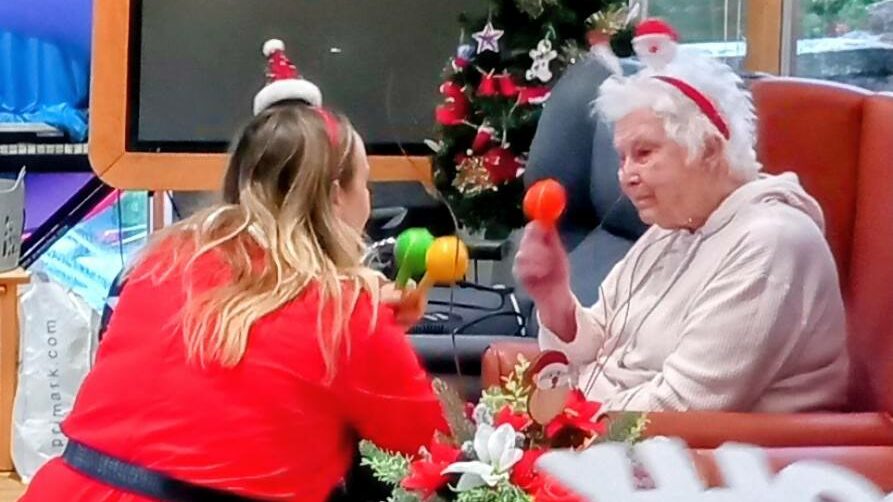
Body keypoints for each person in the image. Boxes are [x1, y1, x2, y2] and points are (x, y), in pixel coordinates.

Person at [21, 40, 444, 501]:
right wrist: (376, 332)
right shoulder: (344, 315)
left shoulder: (163, 260)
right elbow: (431, 453)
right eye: (367, 183)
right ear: (336, 194)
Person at [514, 19, 849, 413]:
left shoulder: (771, 242)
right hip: (618, 442)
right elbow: (599, 341)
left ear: (708, 149)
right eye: (621, 159)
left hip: (713, 463)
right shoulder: (671, 228)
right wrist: (555, 298)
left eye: (643, 154)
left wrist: (564, 418)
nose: (625, 177)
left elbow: (683, 405)